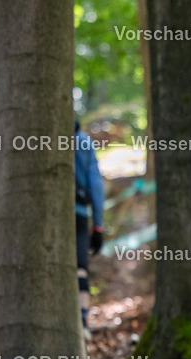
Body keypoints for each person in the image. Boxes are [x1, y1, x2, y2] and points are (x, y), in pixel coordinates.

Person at [74, 121, 106, 331]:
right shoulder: (83, 142)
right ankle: (83, 322)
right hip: (79, 214)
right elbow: (95, 185)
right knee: (80, 269)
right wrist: (98, 225)